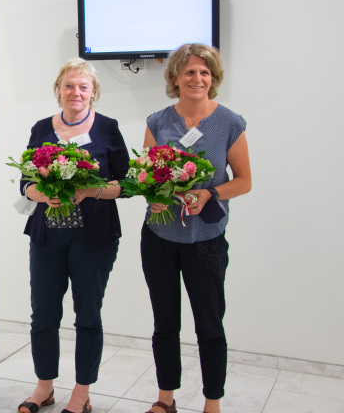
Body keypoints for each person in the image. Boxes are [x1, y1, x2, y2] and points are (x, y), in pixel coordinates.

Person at [140, 44, 252, 413]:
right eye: (189, 72)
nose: (197, 78)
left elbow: (244, 181)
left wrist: (211, 192)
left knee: (209, 324)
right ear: (175, 78)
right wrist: (152, 197)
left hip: (206, 239)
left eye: (205, 72)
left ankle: (212, 403)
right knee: (165, 322)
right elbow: (146, 177)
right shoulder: (158, 122)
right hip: (159, 238)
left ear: (214, 78)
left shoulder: (230, 122)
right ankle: (165, 399)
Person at [18, 58, 129, 413]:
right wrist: (43, 193)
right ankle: (44, 387)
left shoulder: (108, 128)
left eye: (83, 86)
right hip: (47, 237)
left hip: (93, 239)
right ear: (58, 90)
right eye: (69, 86)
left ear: (93, 93)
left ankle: (82, 393)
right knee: (44, 314)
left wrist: (90, 191)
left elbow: (126, 184)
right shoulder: (40, 129)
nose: (75, 92)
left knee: (87, 315)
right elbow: (25, 183)